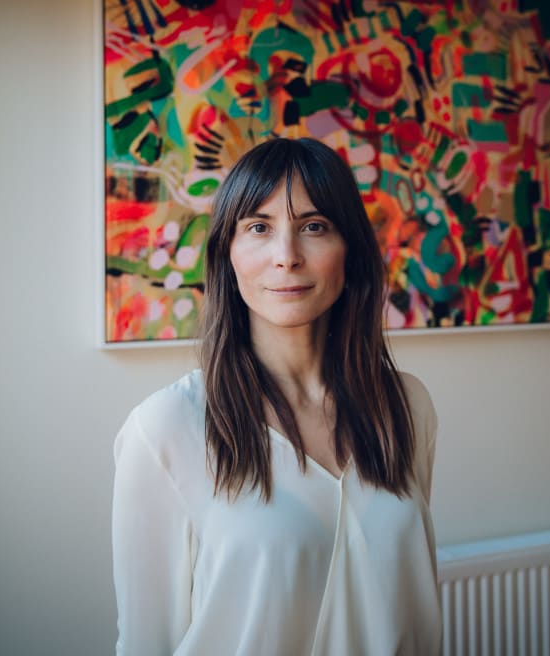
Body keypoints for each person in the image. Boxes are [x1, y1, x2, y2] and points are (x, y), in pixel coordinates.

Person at [111, 137, 441, 655]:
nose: (286, 257)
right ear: (228, 253)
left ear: (349, 250)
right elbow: (145, 643)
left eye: (313, 227)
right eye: (258, 228)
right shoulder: (165, 428)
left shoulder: (408, 407)